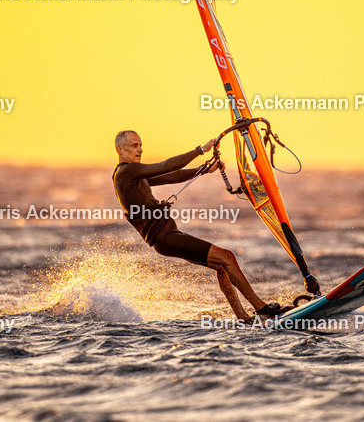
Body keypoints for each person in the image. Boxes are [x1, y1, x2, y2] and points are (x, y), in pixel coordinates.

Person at [112, 129, 286, 320]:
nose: (140, 150)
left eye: (141, 145)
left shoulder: (134, 174)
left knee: (221, 266)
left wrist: (203, 170)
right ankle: (263, 309)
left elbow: (171, 176)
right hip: (165, 238)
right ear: (120, 149)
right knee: (227, 257)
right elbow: (166, 165)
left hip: (168, 237)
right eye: (134, 146)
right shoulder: (126, 172)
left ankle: (243, 318)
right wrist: (200, 150)